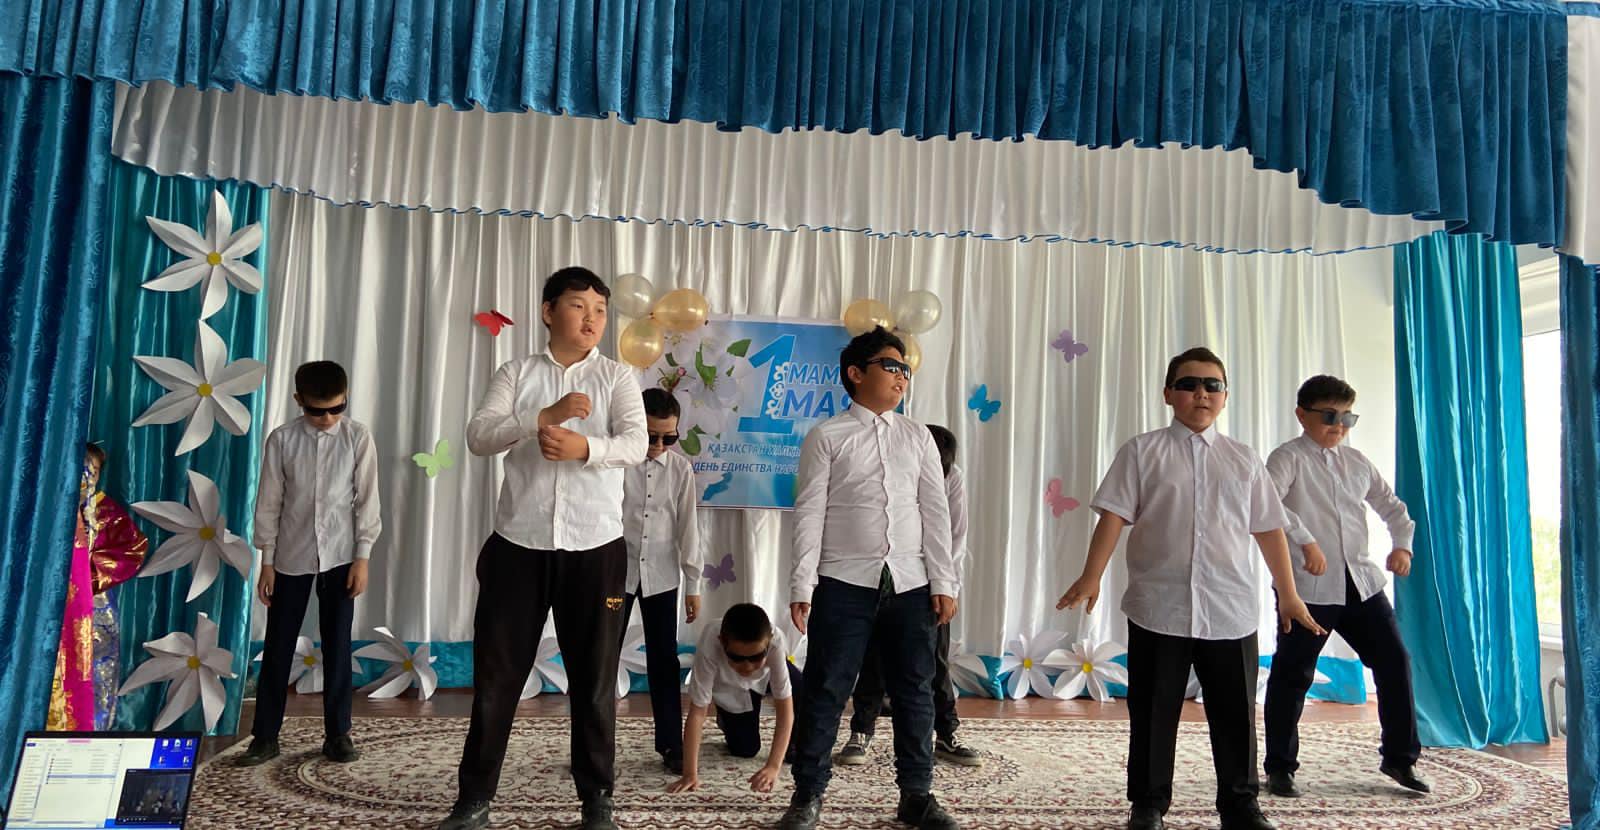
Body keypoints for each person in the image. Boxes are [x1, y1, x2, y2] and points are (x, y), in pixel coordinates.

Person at [1057, 347, 1326, 830]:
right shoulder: (1141, 452)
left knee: (1235, 714)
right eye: (1188, 384)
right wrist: (1091, 575)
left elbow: (1269, 529)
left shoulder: (1244, 459)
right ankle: (1148, 804)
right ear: (1168, 394)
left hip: (1229, 608)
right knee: (1153, 711)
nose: (1201, 393)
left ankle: (1240, 805)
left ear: (1225, 396)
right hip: (1159, 606)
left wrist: (1288, 593)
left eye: (1212, 385)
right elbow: (1114, 516)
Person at [439, 267, 646, 830]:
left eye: (600, 310)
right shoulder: (517, 372)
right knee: (496, 679)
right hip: (518, 546)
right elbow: (479, 436)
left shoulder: (617, 377)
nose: (592, 319)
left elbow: (635, 442)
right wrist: (541, 420)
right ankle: (474, 800)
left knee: (595, 681)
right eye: (579, 306)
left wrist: (586, 448)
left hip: (596, 549)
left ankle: (597, 800)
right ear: (549, 311)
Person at [780, 327, 960, 830]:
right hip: (842, 581)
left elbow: (935, 512)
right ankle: (808, 795)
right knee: (826, 688)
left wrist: (943, 581)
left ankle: (916, 795)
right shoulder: (827, 437)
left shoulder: (918, 436)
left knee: (915, 690)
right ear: (856, 374)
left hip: (910, 581)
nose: (902, 376)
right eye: (891, 366)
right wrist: (801, 585)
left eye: (906, 369)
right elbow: (809, 513)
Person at [1261, 375, 1427, 797]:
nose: (1339, 425)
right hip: (1308, 588)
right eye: (1329, 416)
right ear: (1302, 415)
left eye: (1347, 417)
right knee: (1293, 674)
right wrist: (1306, 541)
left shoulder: (1358, 462)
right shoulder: (1287, 458)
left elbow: (1393, 508)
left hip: (1362, 584)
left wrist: (1402, 546)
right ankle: (1280, 767)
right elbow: (1265, 503)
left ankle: (1400, 759)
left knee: (1395, 662)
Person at [240, 360, 381, 766]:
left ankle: (338, 734)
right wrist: (267, 561)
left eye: (337, 408)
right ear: (298, 400)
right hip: (290, 556)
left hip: (340, 556)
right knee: (278, 646)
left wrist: (362, 557)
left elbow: (367, 501)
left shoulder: (357, 437)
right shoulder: (282, 440)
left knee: (338, 645)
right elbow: (269, 502)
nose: (328, 419)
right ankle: (265, 736)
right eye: (318, 411)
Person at [838, 424, 979, 768]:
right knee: (873, 657)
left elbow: (955, 537)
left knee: (936, 662)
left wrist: (946, 588)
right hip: (883, 579)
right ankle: (861, 731)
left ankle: (946, 733)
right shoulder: (889, 471)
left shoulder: (953, 477)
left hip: (930, 585)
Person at [622, 386, 704, 774]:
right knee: (599, 661)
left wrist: (693, 585)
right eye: (650, 436)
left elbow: (689, 529)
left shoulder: (681, 470)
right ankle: (593, 746)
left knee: (664, 662)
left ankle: (671, 745)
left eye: (668, 438)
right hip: (615, 575)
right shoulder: (616, 462)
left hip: (662, 576)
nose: (658, 446)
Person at [49, 443, 147, 731]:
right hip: (54, 605)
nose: (86, 478)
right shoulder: (50, 509)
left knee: (96, 670)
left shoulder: (106, 510)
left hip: (95, 606)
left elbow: (133, 548)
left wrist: (83, 576)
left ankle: (93, 730)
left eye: (91, 471)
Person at [668, 603, 801, 794]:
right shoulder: (709, 641)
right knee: (746, 749)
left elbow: (785, 709)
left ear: (768, 644)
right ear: (722, 642)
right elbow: (697, 712)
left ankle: (794, 743)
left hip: (767, 677)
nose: (747, 666)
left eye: (756, 657)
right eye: (737, 658)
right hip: (730, 686)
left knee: (803, 690)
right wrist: (689, 774)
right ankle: (725, 718)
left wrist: (773, 766)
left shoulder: (776, 641)